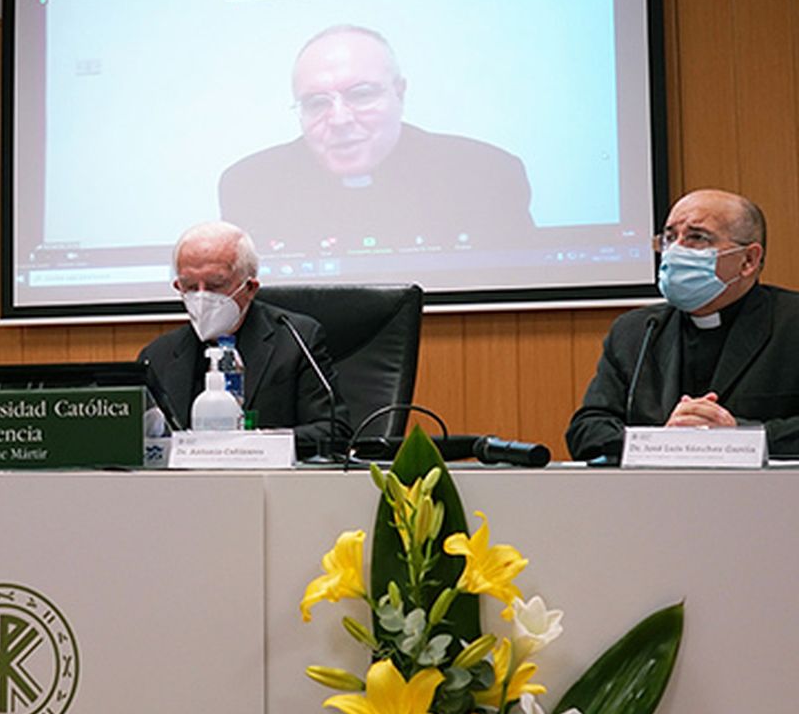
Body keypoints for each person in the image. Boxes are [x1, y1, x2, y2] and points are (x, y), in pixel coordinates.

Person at [566, 189, 799, 461]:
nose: (675, 250)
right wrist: (662, 443)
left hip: (771, 506)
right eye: (670, 237)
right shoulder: (635, 332)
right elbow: (586, 430)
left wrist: (739, 436)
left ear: (747, 261)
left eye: (697, 237)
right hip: (656, 504)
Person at [218, 25, 535, 257]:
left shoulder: (486, 174)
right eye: (317, 102)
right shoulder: (250, 185)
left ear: (399, 93)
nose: (339, 119)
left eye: (361, 95)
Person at [140, 221, 350, 451]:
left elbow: (333, 430)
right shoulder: (158, 355)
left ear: (250, 288)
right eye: (189, 286)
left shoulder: (296, 340)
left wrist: (255, 444)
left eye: (215, 285)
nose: (201, 297)